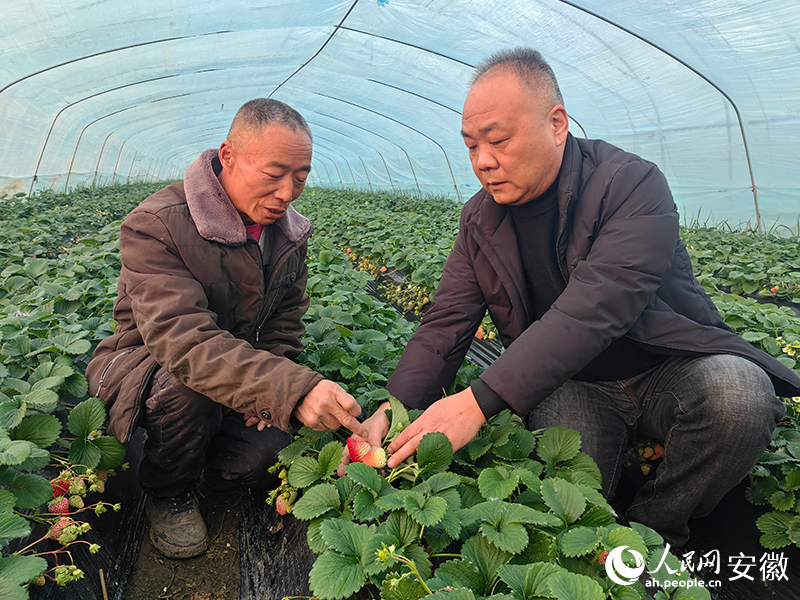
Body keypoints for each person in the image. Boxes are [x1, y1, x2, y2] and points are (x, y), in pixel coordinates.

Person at [352, 48, 800, 546]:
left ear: (557, 123)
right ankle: (597, 548)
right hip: (571, 383)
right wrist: (395, 407)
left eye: (498, 140)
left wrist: (477, 402)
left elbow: (598, 305)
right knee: (572, 502)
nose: (483, 161)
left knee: (738, 396)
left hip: (663, 365)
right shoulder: (479, 219)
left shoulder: (630, 184)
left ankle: (655, 531)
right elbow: (445, 322)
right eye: (471, 145)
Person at [86, 98, 365, 559]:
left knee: (265, 456)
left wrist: (273, 390)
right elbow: (184, 343)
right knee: (185, 390)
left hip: (235, 369)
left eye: (301, 175)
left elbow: (283, 323)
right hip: (148, 367)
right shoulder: (157, 225)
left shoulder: (288, 235)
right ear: (228, 156)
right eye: (274, 173)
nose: (288, 191)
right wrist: (286, 387)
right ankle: (168, 491)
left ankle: (205, 462)